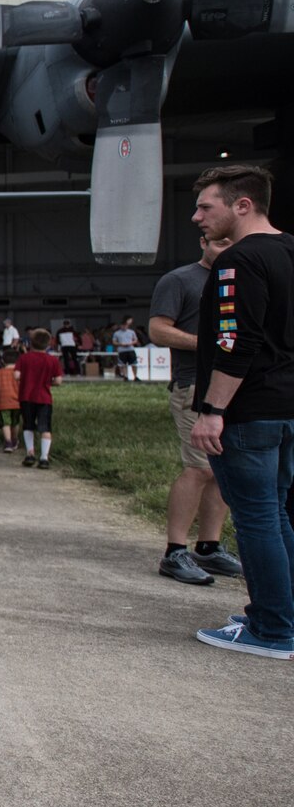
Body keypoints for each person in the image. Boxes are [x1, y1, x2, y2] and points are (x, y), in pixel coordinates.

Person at [185, 165, 294, 660]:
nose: (196, 217)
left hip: (249, 412)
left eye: (207, 206)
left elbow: (236, 342)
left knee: (256, 520)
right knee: (279, 513)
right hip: (286, 407)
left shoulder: (239, 262)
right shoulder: (288, 250)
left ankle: (271, 628)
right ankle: (282, 611)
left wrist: (212, 409)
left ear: (242, 205)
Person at [149, 234, 240, 585]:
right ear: (202, 241)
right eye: (219, 243)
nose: (226, 249)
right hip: (193, 386)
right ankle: (175, 551)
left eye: (232, 243)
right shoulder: (180, 280)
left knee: (223, 469)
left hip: (233, 388)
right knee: (199, 468)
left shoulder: (241, 280)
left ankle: (209, 546)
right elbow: (158, 330)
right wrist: (208, 344)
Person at [16, 327, 64, 468]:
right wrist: (49, 383)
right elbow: (59, 381)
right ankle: (44, 458)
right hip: (44, 398)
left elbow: (16, 375)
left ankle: (30, 454)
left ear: (31, 342)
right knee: (45, 428)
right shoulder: (52, 360)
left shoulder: (24, 358)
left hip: (26, 396)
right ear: (48, 344)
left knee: (28, 425)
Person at [0, 347, 21, 454]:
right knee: (15, 422)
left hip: (3, 403)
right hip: (17, 403)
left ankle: (8, 442)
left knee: (5, 423)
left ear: (3, 361)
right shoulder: (20, 374)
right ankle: (15, 440)